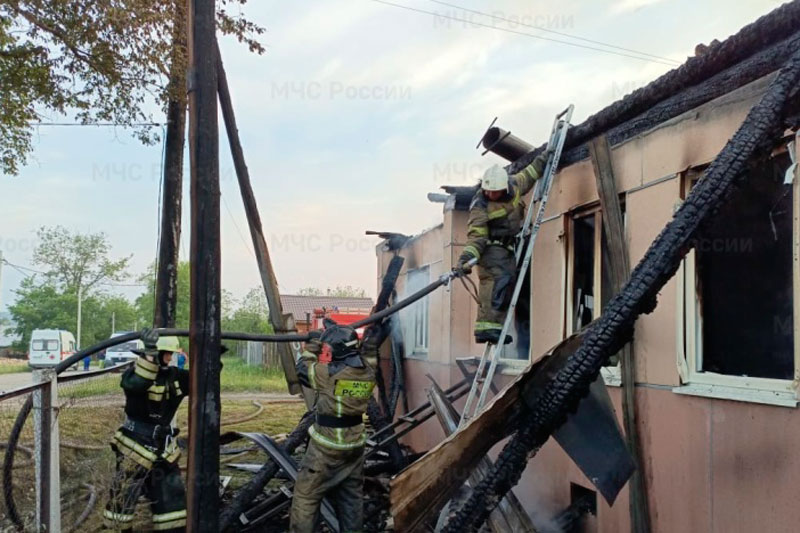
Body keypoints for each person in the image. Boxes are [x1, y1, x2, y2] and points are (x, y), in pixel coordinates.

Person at [290, 323, 384, 533]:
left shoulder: (327, 374)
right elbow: (367, 353)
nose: (327, 353)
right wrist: (335, 330)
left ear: (338, 351)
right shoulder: (369, 370)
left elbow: (302, 369)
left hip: (327, 447)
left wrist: (313, 344)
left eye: (329, 350)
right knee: (351, 498)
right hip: (355, 446)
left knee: (306, 496)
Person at [103, 330, 188, 532]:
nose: (170, 357)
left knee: (172, 501)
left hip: (164, 453)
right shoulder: (131, 376)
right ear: (154, 353)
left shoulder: (175, 377)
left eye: (171, 353)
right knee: (123, 500)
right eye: (166, 353)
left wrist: (212, 356)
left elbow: (205, 381)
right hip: (135, 451)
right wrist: (149, 355)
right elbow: (139, 384)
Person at [458, 154, 548, 344]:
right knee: (495, 283)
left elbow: (530, 174)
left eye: (494, 192)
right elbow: (476, 235)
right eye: (487, 191)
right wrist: (466, 257)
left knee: (506, 285)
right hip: (490, 248)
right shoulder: (480, 205)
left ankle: (494, 329)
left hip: (508, 248)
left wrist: (545, 157)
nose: (490, 195)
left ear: (504, 187)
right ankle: (485, 329)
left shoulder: (515, 185)